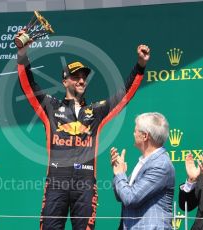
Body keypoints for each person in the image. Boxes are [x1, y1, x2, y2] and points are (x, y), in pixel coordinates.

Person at [16, 30, 150, 230]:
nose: (81, 80)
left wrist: (140, 66)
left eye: (83, 77)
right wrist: (22, 55)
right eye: (75, 77)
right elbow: (28, 85)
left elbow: (124, 95)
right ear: (64, 81)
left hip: (86, 185)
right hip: (56, 183)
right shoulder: (50, 108)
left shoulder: (95, 111)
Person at [111, 112, 175, 229]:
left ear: (145, 136)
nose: (133, 133)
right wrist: (119, 174)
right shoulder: (144, 162)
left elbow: (131, 198)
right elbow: (121, 196)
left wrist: (120, 174)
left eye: (136, 131)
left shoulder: (160, 164)